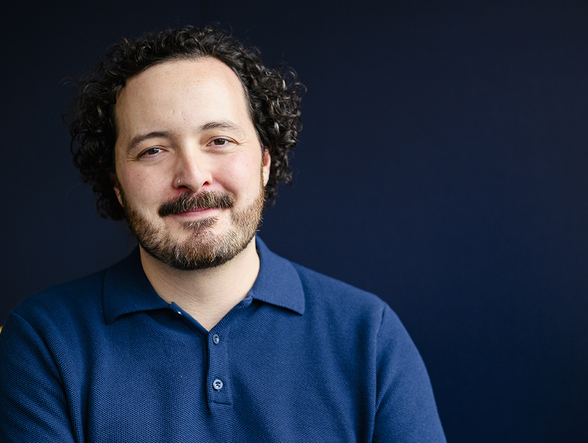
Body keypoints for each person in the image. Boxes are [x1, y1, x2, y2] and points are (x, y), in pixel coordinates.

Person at [0, 25, 446, 442]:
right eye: (153, 150)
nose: (193, 177)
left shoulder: (369, 336)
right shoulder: (43, 341)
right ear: (116, 185)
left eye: (219, 140)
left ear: (265, 162)